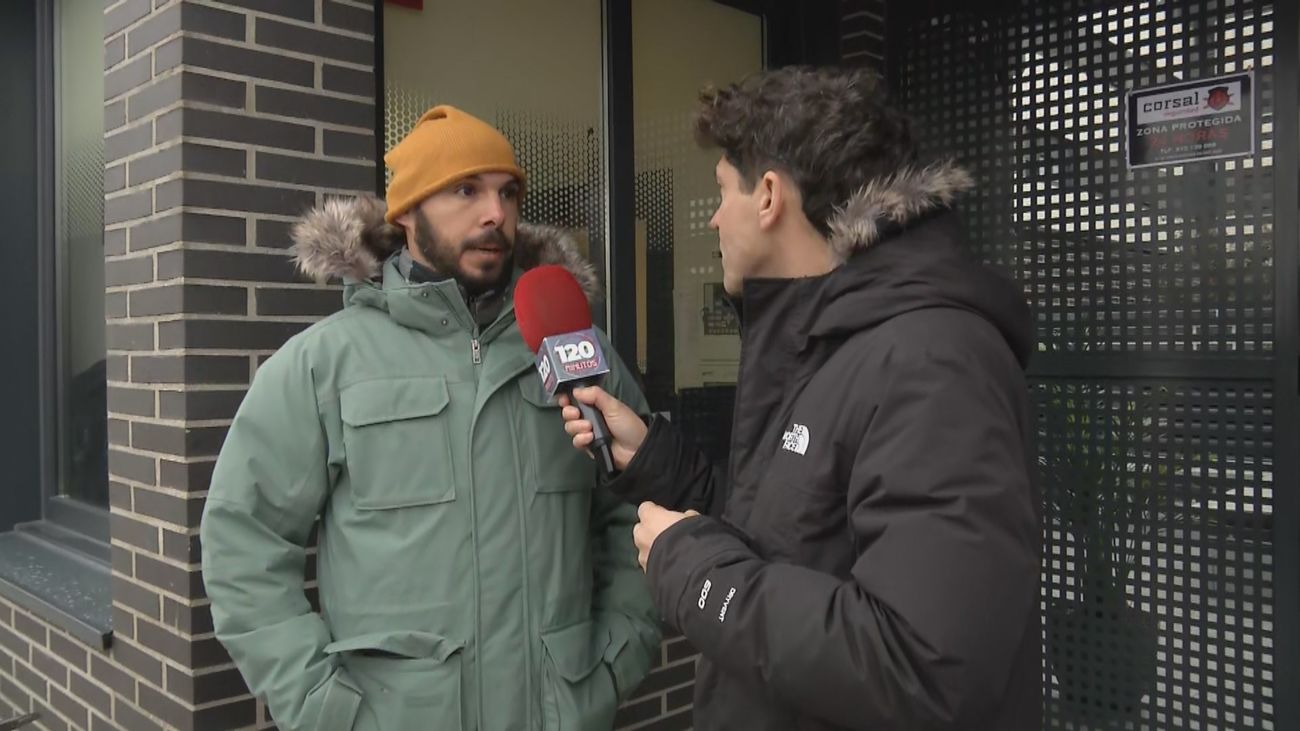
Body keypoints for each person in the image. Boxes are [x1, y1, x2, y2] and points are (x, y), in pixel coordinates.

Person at [560, 67, 1042, 730]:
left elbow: (922, 670)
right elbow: (789, 542)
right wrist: (656, 461)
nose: (713, 217)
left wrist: (697, 573)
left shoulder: (932, 358)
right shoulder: (827, 342)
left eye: (721, 191)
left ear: (767, 197)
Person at [201, 105, 661, 731]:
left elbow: (638, 508)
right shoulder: (324, 364)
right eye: (466, 190)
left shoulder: (575, 351)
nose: (494, 212)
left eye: (508, 192)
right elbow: (243, 543)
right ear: (408, 212)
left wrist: (614, 658)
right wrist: (323, 706)